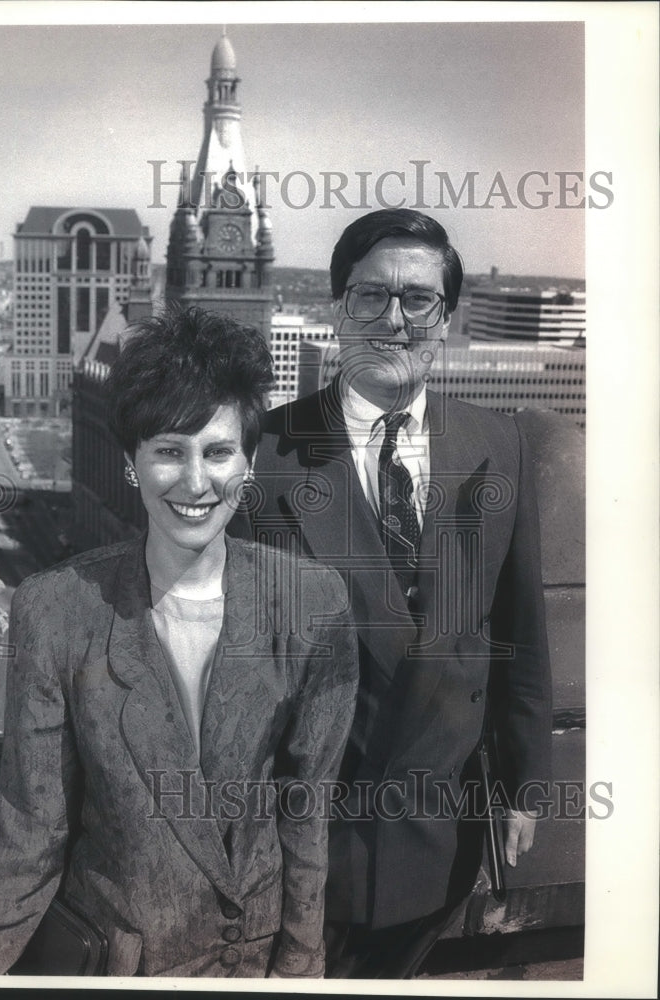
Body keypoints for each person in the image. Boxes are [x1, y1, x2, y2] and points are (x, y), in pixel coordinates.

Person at [0, 306, 358, 978]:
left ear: (249, 462)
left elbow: (306, 814)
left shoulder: (313, 605)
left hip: (256, 966)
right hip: (123, 967)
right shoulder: (54, 611)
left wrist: (299, 968)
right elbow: (30, 836)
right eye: (169, 451)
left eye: (218, 451)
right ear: (131, 465)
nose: (196, 482)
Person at [237, 209, 553, 977]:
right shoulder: (263, 452)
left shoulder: (497, 441)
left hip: (443, 839)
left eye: (418, 299)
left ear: (446, 317)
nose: (393, 319)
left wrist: (524, 788)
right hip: (306, 847)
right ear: (336, 307)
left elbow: (520, 635)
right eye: (370, 296)